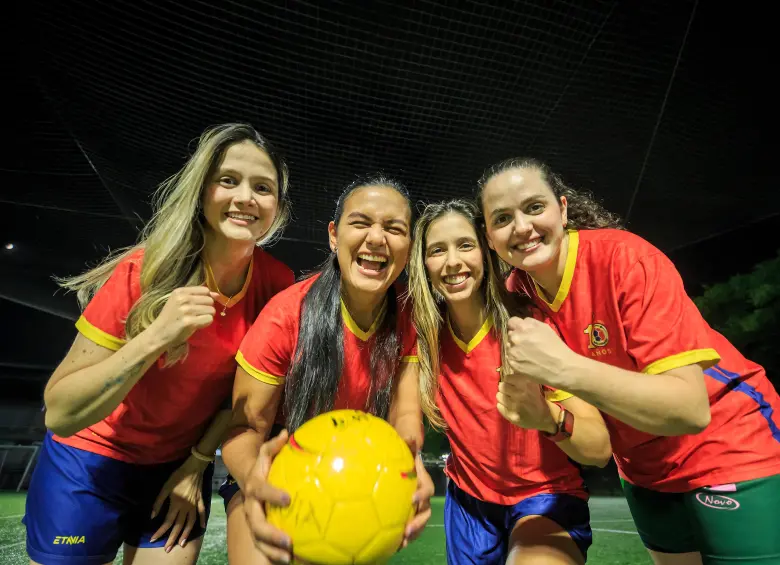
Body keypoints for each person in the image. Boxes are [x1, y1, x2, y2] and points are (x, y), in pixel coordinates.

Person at [477, 156, 780, 565]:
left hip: (729, 445)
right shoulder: (518, 300)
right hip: (642, 471)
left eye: (534, 207)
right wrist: (549, 419)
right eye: (502, 218)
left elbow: (689, 410)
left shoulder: (625, 259)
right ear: (490, 237)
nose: (522, 227)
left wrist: (564, 366)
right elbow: (596, 447)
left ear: (562, 209)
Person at [24, 123, 295, 565]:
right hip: (89, 463)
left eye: (262, 187)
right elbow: (60, 413)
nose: (246, 197)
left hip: (178, 467)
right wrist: (155, 338)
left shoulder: (277, 284)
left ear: (277, 208)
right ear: (203, 191)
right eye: (228, 180)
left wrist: (195, 467)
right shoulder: (143, 272)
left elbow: (243, 398)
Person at [220, 175, 434, 564]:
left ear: (409, 247)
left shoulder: (410, 317)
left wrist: (410, 463)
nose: (376, 238)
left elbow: (405, 414)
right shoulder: (286, 316)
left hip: (357, 479)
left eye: (394, 228)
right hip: (273, 476)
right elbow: (245, 427)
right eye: (361, 223)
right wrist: (256, 482)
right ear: (334, 236)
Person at [408, 199, 611, 564]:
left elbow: (598, 449)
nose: (452, 261)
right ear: (424, 264)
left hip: (544, 497)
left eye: (465, 245)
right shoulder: (423, 336)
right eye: (437, 250)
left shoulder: (529, 326)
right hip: (469, 505)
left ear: (486, 252)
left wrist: (547, 417)